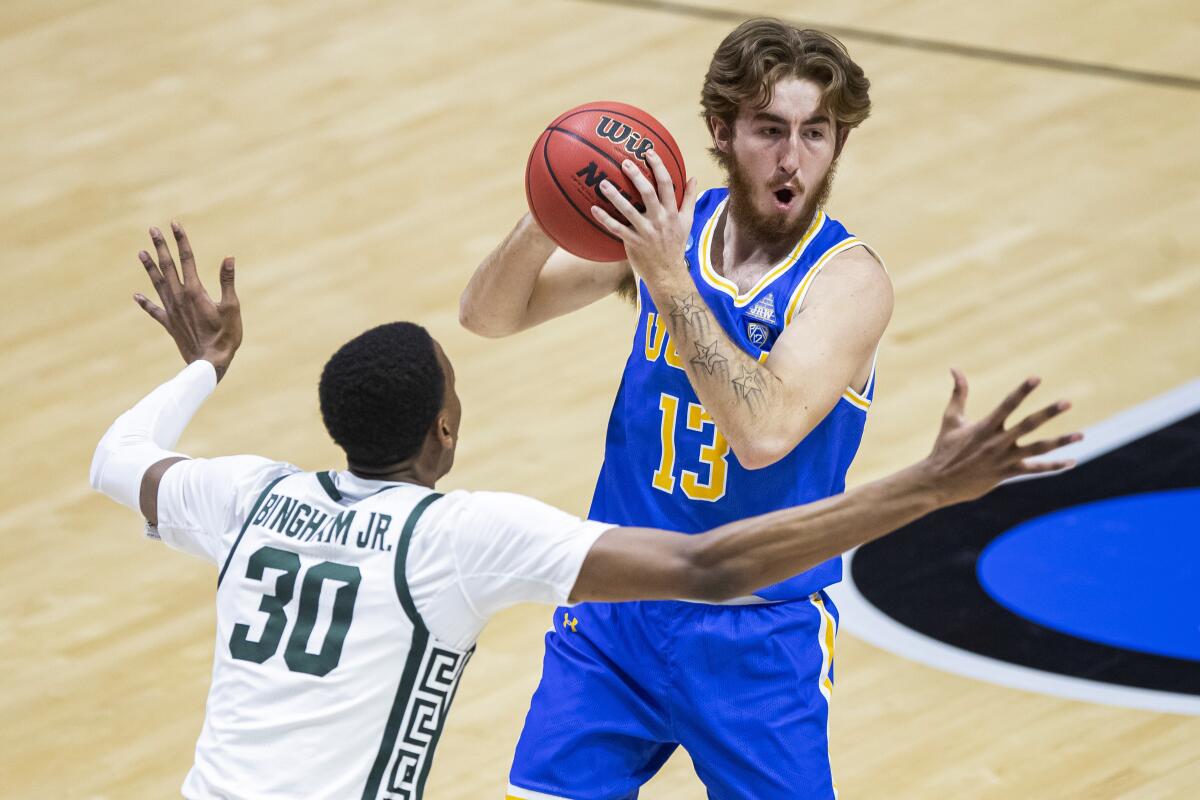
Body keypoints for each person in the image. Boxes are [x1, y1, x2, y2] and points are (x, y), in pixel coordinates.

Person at [90, 224, 1075, 799]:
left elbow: (117, 457)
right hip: (657, 627)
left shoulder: (245, 494)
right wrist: (928, 486)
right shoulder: (462, 536)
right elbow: (710, 569)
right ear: (446, 431)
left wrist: (200, 367)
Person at [458, 17, 1031, 800]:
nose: (793, 157)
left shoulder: (847, 283)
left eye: (816, 133)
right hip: (618, 608)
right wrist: (555, 205)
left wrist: (666, 280)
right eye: (769, 130)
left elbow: (763, 432)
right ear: (722, 134)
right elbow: (489, 315)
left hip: (755, 637)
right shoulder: (673, 230)